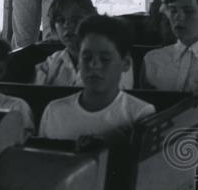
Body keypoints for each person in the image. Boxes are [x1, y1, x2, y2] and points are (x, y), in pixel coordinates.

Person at [39, 15, 155, 147]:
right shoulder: (54, 111)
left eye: (105, 59)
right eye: (87, 58)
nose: (94, 65)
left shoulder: (139, 113)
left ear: (126, 64)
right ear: (78, 62)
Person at [34, 0, 134, 88]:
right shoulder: (53, 62)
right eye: (60, 20)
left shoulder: (115, 58)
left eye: (76, 19)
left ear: (92, 19)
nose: (67, 25)